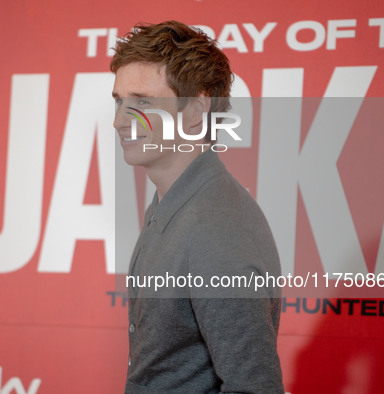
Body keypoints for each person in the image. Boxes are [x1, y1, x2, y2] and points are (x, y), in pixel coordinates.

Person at [111, 21, 284, 393]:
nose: (119, 120)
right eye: (119, 101)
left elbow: (254, 387)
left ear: (196, 108)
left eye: (142, 101)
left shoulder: (215, 230)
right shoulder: (172, 203)